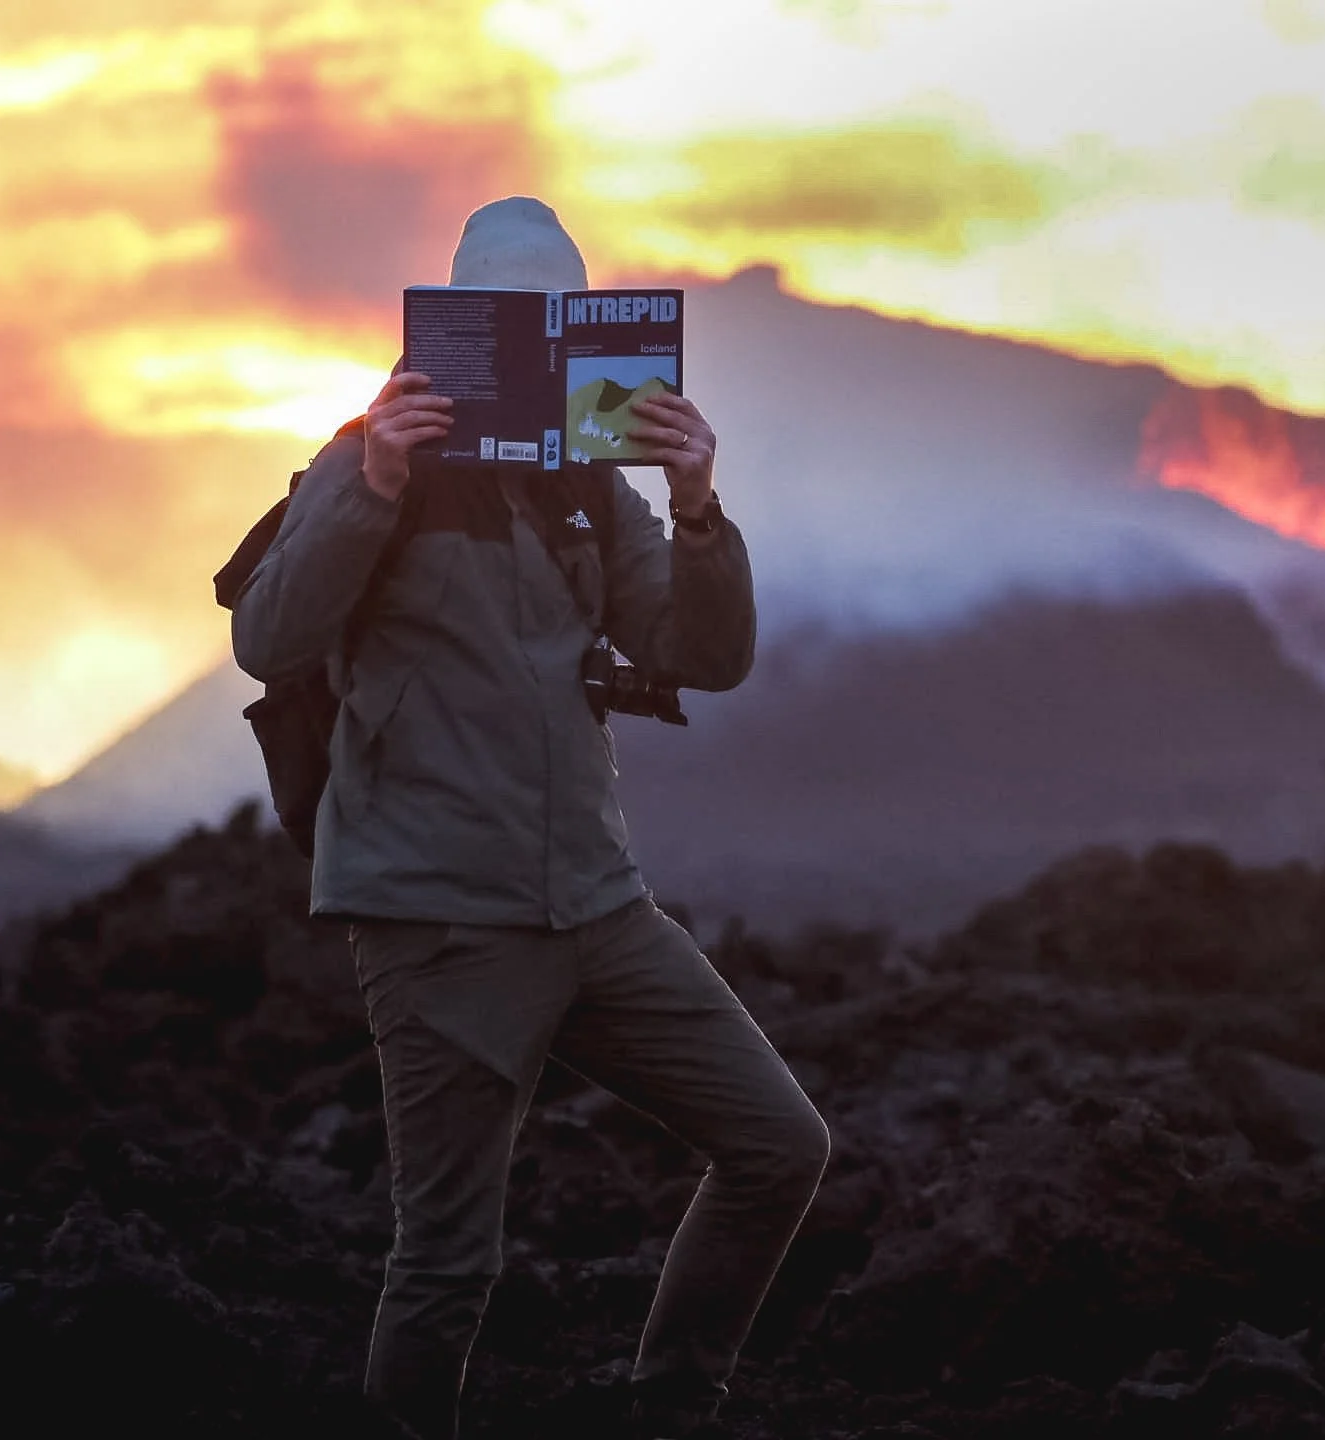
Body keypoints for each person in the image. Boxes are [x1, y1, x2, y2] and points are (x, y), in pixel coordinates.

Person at [230, 196, 828, 1440]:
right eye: (504, 308)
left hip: (597, 906)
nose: (530, 330)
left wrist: (698, 506)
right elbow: (268, 635)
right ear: (456, 316)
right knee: (447, 1264)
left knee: (779, 1145)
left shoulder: (583, 486)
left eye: (552, 309)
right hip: (437, 917)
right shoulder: (366, 460)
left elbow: (700, 655)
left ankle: (669, 1407)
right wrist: (376, 478)